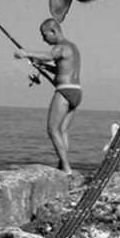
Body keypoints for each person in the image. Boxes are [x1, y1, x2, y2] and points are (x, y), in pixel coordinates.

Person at [15, 18, 81, 174]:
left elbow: (49, 56)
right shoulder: (72, 48)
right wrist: (43, 67)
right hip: (76, 91)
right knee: (62, 131)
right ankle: (62, 164)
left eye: (44, 35)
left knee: (52, 130)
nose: (43, 39)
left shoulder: (61, 47)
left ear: (54, 31)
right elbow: (61, 69)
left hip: (64, 91)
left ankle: (66, 167)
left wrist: (26, 54)